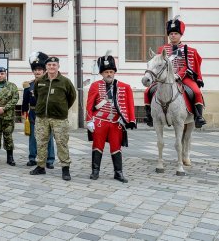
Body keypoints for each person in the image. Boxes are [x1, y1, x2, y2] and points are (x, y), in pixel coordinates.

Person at [145, 17, 206, 128]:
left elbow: (188, 66)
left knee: (196, 92)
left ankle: (198, 117)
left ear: (180, 35)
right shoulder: (162, 49)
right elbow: (158, 64)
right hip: (163, 78)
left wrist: (178, 75)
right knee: (147, 91)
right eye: (171, 33)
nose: (173, 35)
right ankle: (149, 115)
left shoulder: (188, 50)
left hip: (183, 77)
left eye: (176, 33)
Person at [86, 54, 136, 183]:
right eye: (106, 72)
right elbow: (90, 104)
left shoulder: (125, 87)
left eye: (111, 72)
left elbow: (130, 104)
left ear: (114, 72)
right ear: (102, 73)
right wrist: (89, 120)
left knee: (116, 147)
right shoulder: (95, 86)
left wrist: (130, 120)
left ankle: (118, 173)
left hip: (116, 123)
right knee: (97, 146)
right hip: (100, 122)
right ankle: (95, 171)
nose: (109, 74)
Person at [30, 56, 76, 181]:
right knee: (41, 142)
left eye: (54, 65)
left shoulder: (65, 81)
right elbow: (38, 95)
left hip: (59, 119)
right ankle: (40, 166)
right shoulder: (40, 81)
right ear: (46, 67)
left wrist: (62, 108)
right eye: (49, 65)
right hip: (42, 118)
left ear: (58, 67)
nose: (51, 67)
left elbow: (72, 96)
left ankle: (65, 168)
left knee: (61, 143)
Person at [22, 52, 55, 168]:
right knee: (33, 137)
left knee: (49, 137)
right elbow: (25, 101)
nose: (37, 72)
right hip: (33, 114)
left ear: (44, 71)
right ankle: (32, 157)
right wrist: (24, 113)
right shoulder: (28, 85)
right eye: (35, 70)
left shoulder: (50, 84)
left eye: (40, 69)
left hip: (46, 114)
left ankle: (50, 160)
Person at [0, 67, 18, 166]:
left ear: (5, 74)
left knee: (8, 137)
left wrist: (4, 108)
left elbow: (15, 99)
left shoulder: (12, 86)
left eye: (2, 74)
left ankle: (10, 157)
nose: (0, 75)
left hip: (8, 117)